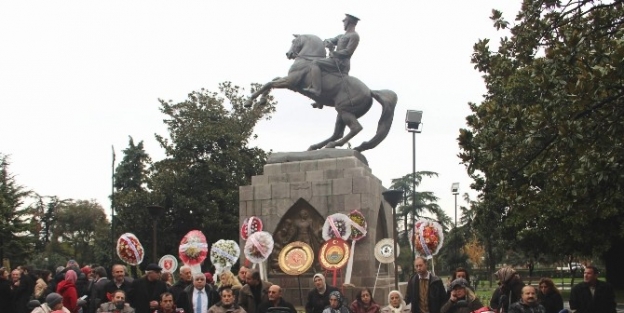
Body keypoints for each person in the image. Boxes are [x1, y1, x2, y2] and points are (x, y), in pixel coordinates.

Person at [304, 14, 361, 97]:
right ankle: (321, 99)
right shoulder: (341, 36)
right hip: (334, 60)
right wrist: (327, 42)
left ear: (349, 22)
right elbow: (331, 40)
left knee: (315, 63)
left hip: (341, 63)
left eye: (344, 20)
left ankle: (316, 90)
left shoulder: (354, 36)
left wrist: (333, 52)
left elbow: (348, 51)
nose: (343, 22)